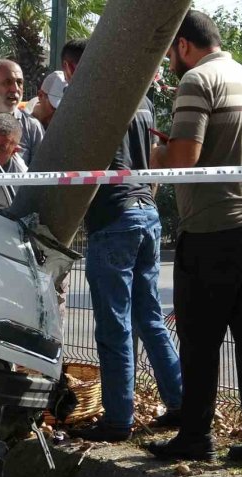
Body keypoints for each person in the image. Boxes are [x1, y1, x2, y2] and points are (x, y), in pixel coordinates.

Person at [146, 11, 242, 465]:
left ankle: (195, 437)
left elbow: (185, 157)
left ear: (184, 45)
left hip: (215, 229)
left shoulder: (197, 81)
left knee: (200, 338)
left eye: (171, 52)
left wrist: (156, 151)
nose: (170, 61)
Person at [64, 38, 184, 443]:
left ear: (71, 70)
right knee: (149, 319)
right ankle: (180, 402)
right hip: (146, 214)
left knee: (114, 326)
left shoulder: (92, 100)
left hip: (114, 219)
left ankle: (117, 420)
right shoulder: (140, 98)